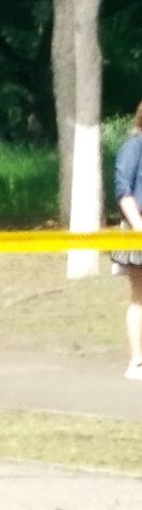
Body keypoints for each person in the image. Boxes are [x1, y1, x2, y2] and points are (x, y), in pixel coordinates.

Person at [112, 103, 142, 379]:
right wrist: (138, 226)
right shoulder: (134, 146)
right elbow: (124, 191)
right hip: (137, 228)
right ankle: (137, 362)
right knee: (140, 297)